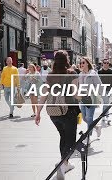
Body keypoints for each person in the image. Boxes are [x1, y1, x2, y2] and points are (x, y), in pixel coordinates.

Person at [35, 51, 80, 180]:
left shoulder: (50, 75)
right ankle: (62, 164)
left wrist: (38, 112)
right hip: (68, 111)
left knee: (63, 136)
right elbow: (76, 94)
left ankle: (65, 163)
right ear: (66, 59)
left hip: (53, 112)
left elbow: (43, 95)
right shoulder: (71, 74)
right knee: (70, 140)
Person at [79, 57, 102, 138]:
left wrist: (97, 96)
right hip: (82, 98)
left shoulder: (93, 73)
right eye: (81, 63)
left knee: (89, 117)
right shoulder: (80, 74)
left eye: (83, 63)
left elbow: (99, 85)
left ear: (88, 63)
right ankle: (97, 127)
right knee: (84, 118)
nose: (81, 64)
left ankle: (88, 136)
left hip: (91, 98)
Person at [98, 59, 112, 125]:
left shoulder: (111, 71)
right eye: (105, 63)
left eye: (107, 63)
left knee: (106, 102)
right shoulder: (99, 71)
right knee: (106, 102)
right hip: (102, 89)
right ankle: (106, 116)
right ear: (102, 64)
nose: (106, 64)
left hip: (109, 89)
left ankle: (103, 116)